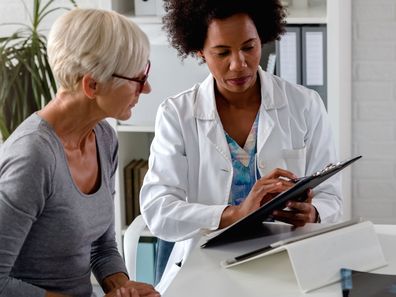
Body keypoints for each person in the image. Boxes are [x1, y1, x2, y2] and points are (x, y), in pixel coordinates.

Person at [140, 0, 342, 293]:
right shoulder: (177, 114)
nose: (239, 64)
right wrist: (234, 214)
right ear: (200, 51)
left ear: (263, 38)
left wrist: (314, 213)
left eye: (249, 47)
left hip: (289, 261)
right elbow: (159, 210)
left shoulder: (305, 105)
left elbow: (331, 197)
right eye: (222, 52)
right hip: (205, 266)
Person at [0, 8, 160, 297]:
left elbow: (101, 245)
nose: (146, 88)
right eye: (137, 78)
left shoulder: (103, 137)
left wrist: (124, 288)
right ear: (92, 85)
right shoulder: (32, 157)